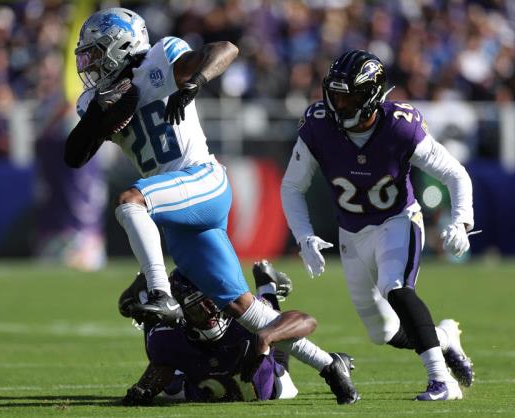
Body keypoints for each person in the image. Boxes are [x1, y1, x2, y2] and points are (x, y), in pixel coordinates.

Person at [65, 8, 358, 404]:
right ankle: (329, 364)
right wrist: (105, 116)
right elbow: (75, 153)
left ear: (122, 44)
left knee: (130, 201)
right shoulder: (96, 98)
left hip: (200, 179)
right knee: (245, 309)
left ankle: (158, 293)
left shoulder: (160, 58)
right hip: (177, 210)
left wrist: (193, 82)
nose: (91, 64)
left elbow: (224, 49)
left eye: (98, 53)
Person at [280, 49, 475, 401]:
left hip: (396, 220)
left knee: (394, 285)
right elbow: (292, 186)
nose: (339, 105)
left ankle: (441, 381)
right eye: (335, 95)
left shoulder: (400, 126)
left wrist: (461, 221)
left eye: (348, 96)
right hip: (350, 232)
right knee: (382, 331)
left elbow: (455, 174)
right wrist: (304, 236)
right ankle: (445, 338)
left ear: (370, 96)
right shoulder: (319, 125)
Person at [120, 260, 353, 405]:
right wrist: (145, 389)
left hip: (267, 385)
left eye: (214, 303)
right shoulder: (169, 337)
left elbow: (306, 321)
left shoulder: (240, 317)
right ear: (182, 310)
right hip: (198, 384)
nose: (212, 312)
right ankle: (144, 294)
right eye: (199, 307)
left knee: (272, 333)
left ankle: (267, 287)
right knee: (169, 390)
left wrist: (267, 336)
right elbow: (161, 361)